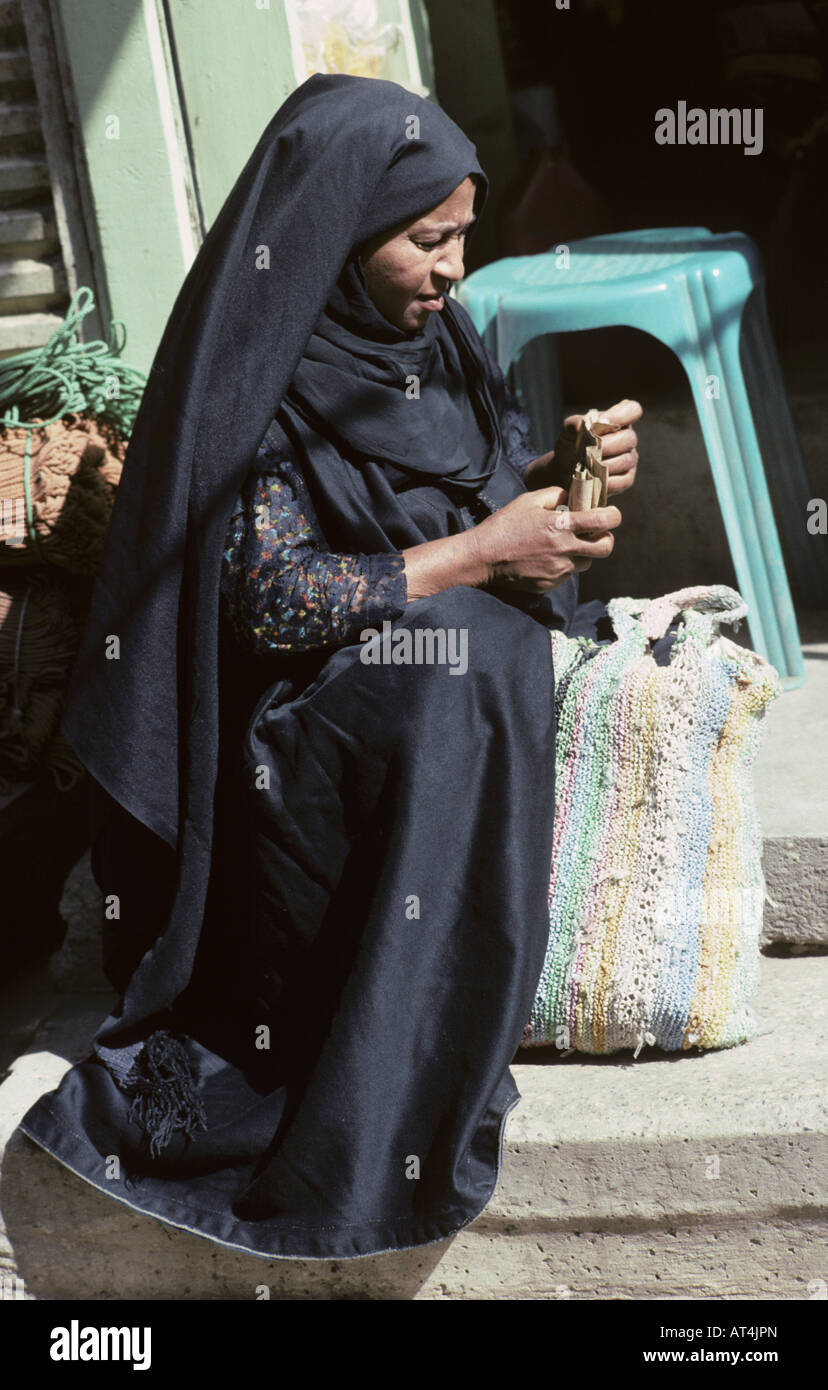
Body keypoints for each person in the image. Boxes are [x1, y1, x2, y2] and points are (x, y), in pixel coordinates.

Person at [17, 73, 650, 1264]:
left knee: (480, 651)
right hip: (273, 741)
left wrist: (557, 498)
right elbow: (270, 598)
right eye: (429, 241)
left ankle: (449, 1008)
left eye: (464, 235)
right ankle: (371, 1068)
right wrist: (476, 553)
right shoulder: (256, 370)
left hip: (398, 684)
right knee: (458, 662)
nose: (456, 269)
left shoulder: (430, 342)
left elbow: (489, 506)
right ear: (345, 233)